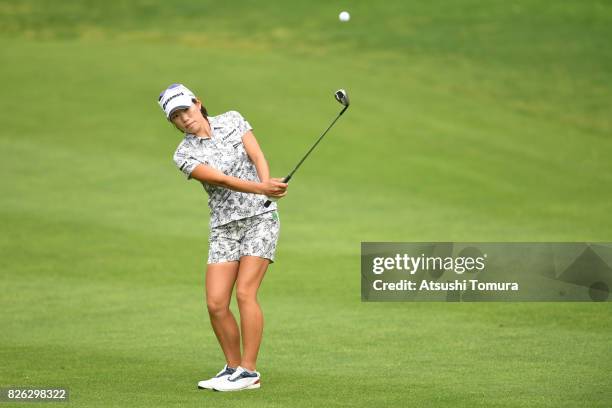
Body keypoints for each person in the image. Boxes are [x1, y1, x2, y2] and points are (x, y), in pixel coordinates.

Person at [158, 84, 288, 392]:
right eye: (176, 116)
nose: (184, 119)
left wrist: (267, 185)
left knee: (245, 293)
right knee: (216, 303)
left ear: (198, 104)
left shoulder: (232, 119)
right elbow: (221, 180)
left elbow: (256, 154)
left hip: (259, 219)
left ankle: (249, 372)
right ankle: (232, 367)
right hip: (223, 228)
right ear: (172, 123)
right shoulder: (183, 154)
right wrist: (262, 188)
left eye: (185, 110)